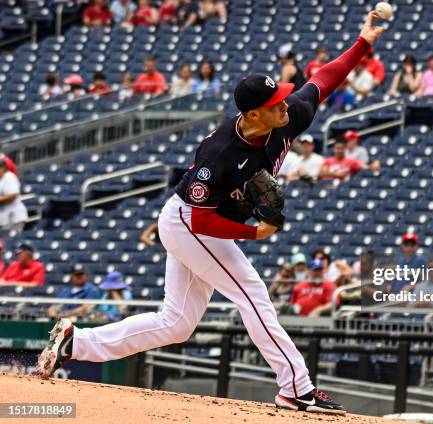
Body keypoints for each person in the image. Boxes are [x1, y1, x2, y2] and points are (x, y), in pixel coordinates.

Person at [37, 11, 386, 416]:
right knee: (252, 294)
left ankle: (75, 343)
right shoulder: (219, 153)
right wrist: (254, 234)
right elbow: (201, 221)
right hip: (189, 221)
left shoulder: (288, 116)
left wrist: (363, 43)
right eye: (275, 104)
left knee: (177, 323)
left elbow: (323, 79)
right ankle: (296, 388)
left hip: (198, 222)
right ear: (253, 113)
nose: (285, 106)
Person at [0, 158, 28, 233]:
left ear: (2, 168)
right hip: (6, 218)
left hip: (14, 217)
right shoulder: (2, 179)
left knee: (11, 241)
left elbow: (12, 195)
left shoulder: (8, 177)